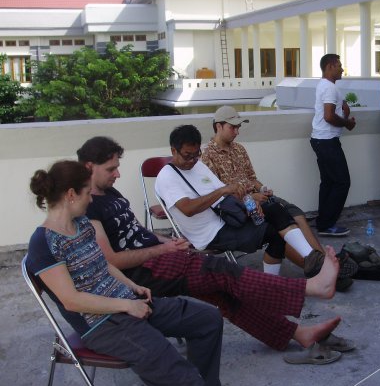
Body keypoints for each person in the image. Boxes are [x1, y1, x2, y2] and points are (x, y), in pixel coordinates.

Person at [77, 136, 351, 353]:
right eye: (111, 169)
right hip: (145, 272)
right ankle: (311, 286)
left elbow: (135, 233)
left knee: (224, 297)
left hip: (159, 255)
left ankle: (297, 333)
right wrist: (162, 249)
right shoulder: (88, 208)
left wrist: (164, 239)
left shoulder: (109, 192)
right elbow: (110, 260)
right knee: (223, 272)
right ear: (89, 167)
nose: (118, 174)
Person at [26, 160, 223, 386]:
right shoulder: (44, 243)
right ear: (71, 194)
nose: (91, 199)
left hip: (128, 302)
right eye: (88, 193)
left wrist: (132, 286)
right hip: (101, 324)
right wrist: (127, 305)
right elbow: (71, 300)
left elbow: (103, 263)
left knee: (207, 318)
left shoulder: (82, 224)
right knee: (166, 360)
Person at [156, 124, 321, 277]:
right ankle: (274, 282)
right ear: (174, 151)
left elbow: (230, 195)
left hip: (230, 216)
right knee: (274, 234)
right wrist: (222, 190)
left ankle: (309, 256)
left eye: (196, 154)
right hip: (211, 234)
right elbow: (188, 209)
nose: (192, 160)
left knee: (275, 209)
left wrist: (250, 204)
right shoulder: (167, 176)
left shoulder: (198, 166)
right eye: (187, 156)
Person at [201, 105, 324, 273]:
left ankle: (318, 259)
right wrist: (251, 197)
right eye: (233, 127)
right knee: (279, 219)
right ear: (218, 126)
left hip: (258, 197)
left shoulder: (239, 149)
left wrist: (262, 188)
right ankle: (319, 268)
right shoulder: (207, 155)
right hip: (241, 206)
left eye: (238, 127)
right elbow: (220, 195)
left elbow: (252, 178)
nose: (237, 132)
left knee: (297, 215)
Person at [310, 53, 356, 236]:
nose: (342, 69)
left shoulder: (324, 85)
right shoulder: (329, 88)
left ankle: (323, 221)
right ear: (330, 66)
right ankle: (327, 225)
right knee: (342, 182)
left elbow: (330, 111)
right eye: (339, 65)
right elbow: (328, 116)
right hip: (327, 141)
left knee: (328, 182)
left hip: (320, 139)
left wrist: (344, 112)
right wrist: (348, 123)